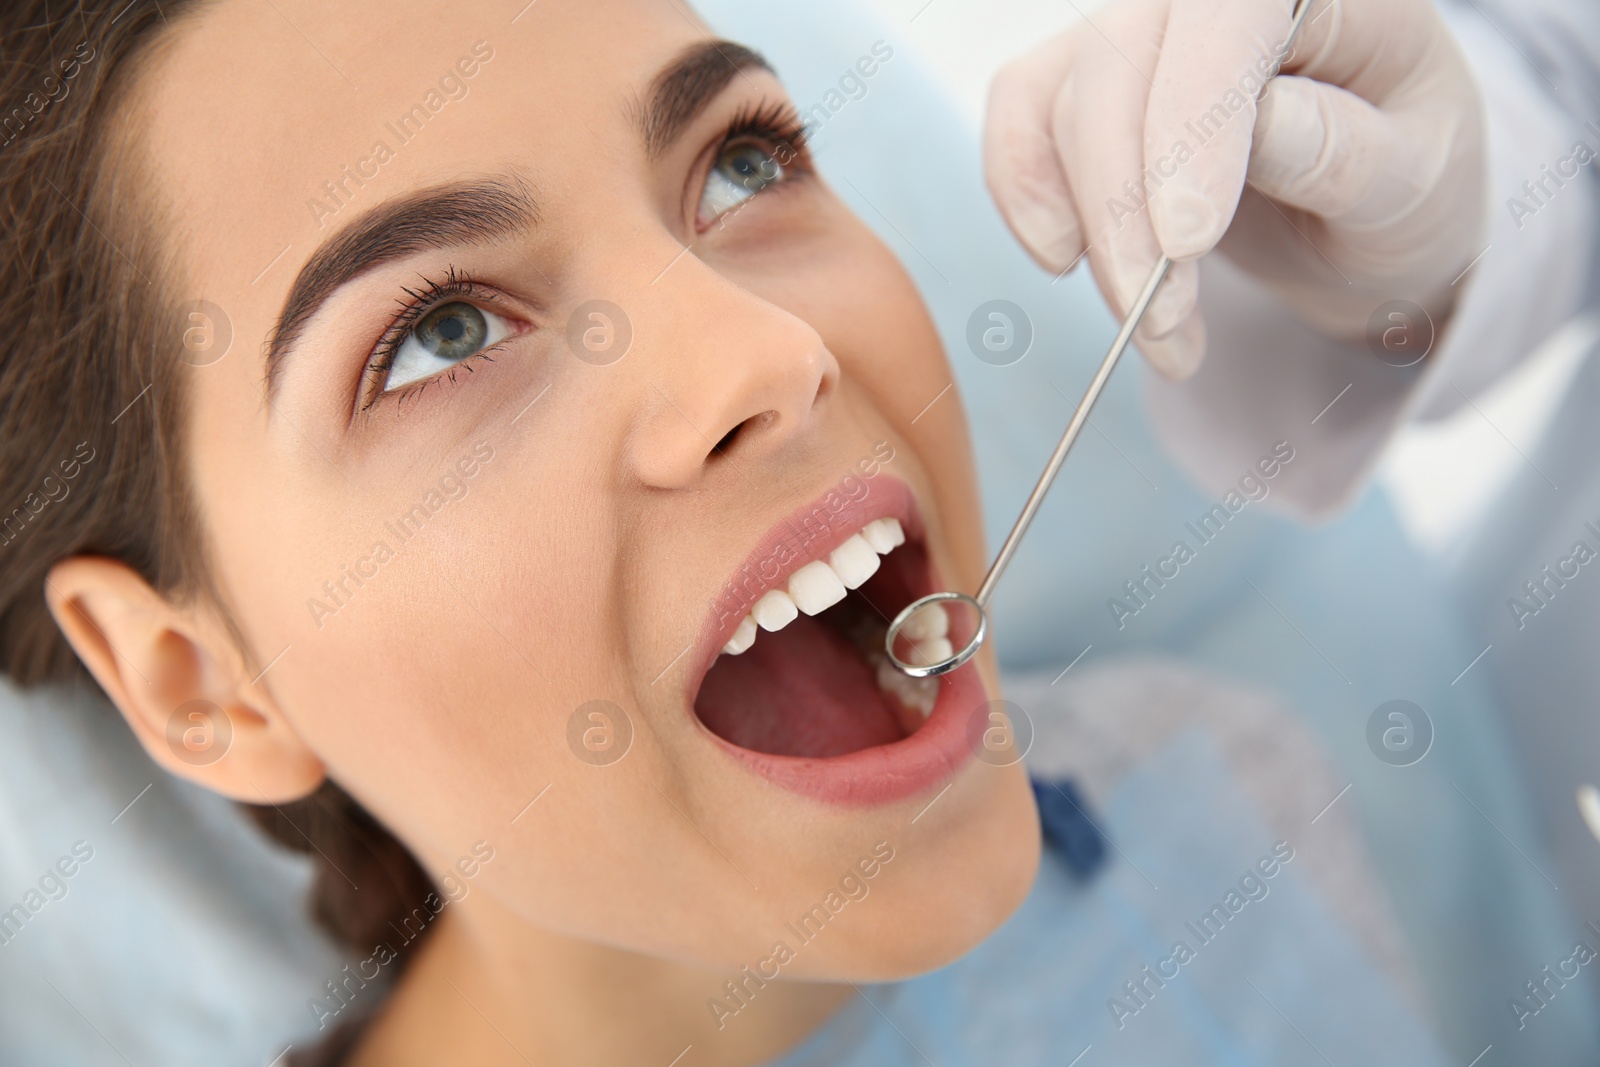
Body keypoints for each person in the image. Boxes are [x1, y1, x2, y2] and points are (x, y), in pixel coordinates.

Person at [0, 1, 1592, 1065]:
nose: (762, 353)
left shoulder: (1211, 804)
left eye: (741, 161)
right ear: (191, 685)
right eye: (439, 336)